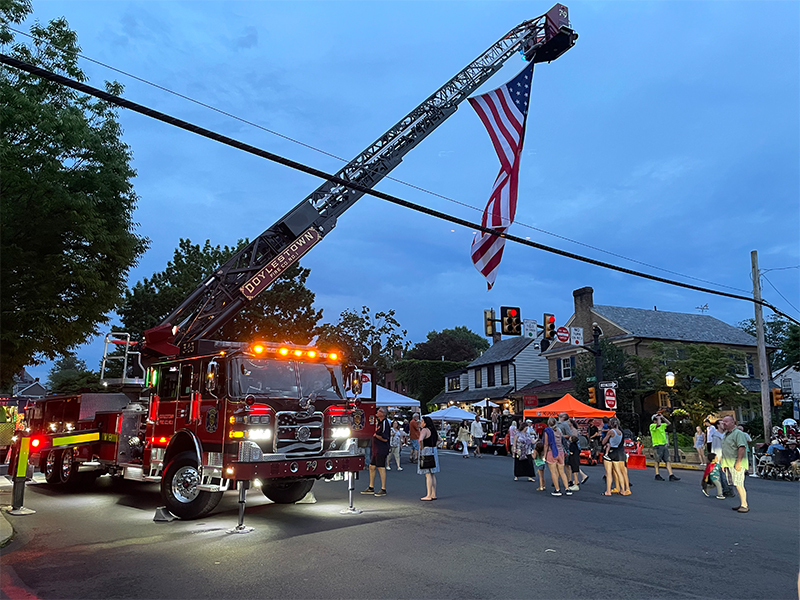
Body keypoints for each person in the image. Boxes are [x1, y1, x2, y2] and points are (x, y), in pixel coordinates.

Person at [720, 415, 749, 513]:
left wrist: (738, 462)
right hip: (729, 463)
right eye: (723, 422)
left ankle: (744, 505)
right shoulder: (726, 434)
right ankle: (742, 503)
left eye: (726, 422)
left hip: (736, 463)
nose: (724, 423)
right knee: (736, 484)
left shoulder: (738, 433)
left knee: (739, 484)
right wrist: (723, 463)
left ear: (733, 422)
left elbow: (741, 447)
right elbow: (726, 450)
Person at [361, 407, 390, 496]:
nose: (376, 412)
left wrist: (375, 435)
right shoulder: (379, 423)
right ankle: (371, 487)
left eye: (378, 411)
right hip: (376, 448)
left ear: (382, 413)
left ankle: (383, 488)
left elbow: (385, 438)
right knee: (372, 466)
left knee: (381, 467)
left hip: (381, 448)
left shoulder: (385, 423)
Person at [543, 417, 572, 496]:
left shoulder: (547, 431)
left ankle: (557, 489)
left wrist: (544, 455)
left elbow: (546, 444)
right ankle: (567, 488)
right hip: (561, 452)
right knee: (562, 472)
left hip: (551, 452)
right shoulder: (559, 430)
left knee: (553, 472)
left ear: (548, 423)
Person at [650, 413, 680, 482]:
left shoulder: (662, 425)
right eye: (656, 419)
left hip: (663, 445)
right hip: (657, 445)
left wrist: (662, 417)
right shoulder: (652, 426)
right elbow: (659, 425)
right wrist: (658, 418)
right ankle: (657, 474)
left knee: (667, 460)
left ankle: (671, 475)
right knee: (657, 461)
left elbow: (668, 423)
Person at [605, 417, 631, 495]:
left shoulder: (617, 431)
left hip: (619, 451)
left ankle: (627, 489)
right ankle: (618, 487)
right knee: (616, 471)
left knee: (621, 470)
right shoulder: (620, 431)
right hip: (620, 451)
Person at [418, 416, 439, 501]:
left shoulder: (424, 430)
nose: (421, 422)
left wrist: (421, 448)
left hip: (426, 451)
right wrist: (434, 446)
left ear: (425, 423)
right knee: (433, 473)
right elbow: (439, 440)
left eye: (422, 421)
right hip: (433, 450)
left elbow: (420, 439)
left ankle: (428, 494)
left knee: (427, 474)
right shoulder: (433, 430)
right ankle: (433, 494)